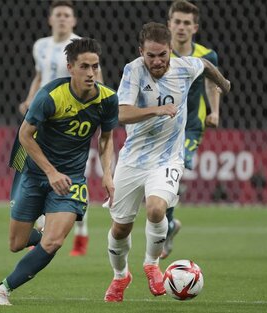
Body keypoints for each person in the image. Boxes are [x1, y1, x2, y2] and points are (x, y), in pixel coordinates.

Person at [104, 22, 230, 302]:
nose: (157, 61)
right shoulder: (133, 70)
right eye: (151, 55)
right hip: (133, 159)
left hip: (168, 158)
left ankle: (152, 265)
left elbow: (206, 65)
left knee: (156, 209)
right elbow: (122, 114)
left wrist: (223, 83)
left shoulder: (185, 66)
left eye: (162, 55)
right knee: (120, 227)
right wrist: (157, 110)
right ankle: (120, 275)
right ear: (141, 52)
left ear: (171, 50)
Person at [0, 38, 119, 306]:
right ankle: (39, 230)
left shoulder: (108, 99)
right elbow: (25, 136)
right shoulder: (50, 96)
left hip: (71, 180)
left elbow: (106, 139)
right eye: (85, 66)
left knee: (54, 242)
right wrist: (50, 172)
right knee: (16, 243)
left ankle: (2, 290)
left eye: (95, 66)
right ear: (70, 67)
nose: (91, 73)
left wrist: (108, 173)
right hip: (35, 173)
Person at [19, 0, 103, 256]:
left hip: (70, 118)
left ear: (74, 20)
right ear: (50, 19)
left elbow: (95, 80)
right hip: (44, 114)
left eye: (67, 15)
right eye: (59, 15)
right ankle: (44, 223)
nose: (63, 19)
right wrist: (30, 99)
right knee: (35, 169)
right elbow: (38, 75)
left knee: (71, 179)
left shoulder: (79, 47)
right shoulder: (40, 46)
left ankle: (80, 234)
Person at [162, 0, 223, 259]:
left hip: (191, 128)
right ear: (169, 24)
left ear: (195, 27)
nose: (182, 27)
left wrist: (215, 110)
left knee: (178, 165)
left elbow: (213, 84)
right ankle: (169, 226)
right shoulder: (159, 54)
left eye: (187, 23)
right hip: (163, 128)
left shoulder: (206, 56)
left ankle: (167, 227)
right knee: (164, 180)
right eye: (177, 21)